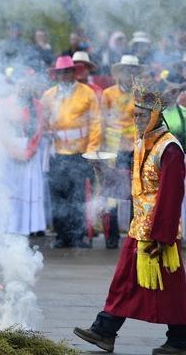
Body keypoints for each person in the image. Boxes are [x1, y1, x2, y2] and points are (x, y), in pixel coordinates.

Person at [73, 79, 186, 355]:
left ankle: (180, 339)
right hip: (139, 229)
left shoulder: (169, 149)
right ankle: (105, 330)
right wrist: (105, 173)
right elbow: (136, 184)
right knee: (124, 282)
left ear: (155, 116)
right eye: (134, 115)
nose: (136, 120)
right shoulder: (141, 143)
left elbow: (171, 196)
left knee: (170, 288)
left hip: (159, 234)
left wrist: (162, 236)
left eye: (141, 115)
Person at [41, 55, 101, 249]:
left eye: (67, 71)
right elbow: (42, 121)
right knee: (59, 195)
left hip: (80, 152)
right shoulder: (49, 95)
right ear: (56, 74)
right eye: (61, 72)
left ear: (74, 72)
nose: (64, 75)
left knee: (78, 196)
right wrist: (45, 131)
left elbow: (96, 123)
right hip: (57, 152)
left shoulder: (87, 93)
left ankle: (78, 235)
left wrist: (92, 150)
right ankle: (61, 235)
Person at [0, 71, 46, 236]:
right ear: (14, 85)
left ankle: (25, 226)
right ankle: (7, 225)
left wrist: (29, 150)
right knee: (8, 188)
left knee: (26, 187)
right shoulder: (4, 104)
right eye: (20, 84)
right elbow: (0, 129)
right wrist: (14, 151)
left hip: (29, 147)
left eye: (26, 85)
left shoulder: (37, 105)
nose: (23, 88)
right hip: (8, 148)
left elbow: (39, 129)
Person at [100, 55, 142, 249]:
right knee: (113, 193)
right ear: (119, 73)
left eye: (133, 70)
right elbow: (102, 119)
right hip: (115, 148)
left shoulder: (141, 93)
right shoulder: (108, 94)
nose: (129, 74)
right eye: (126, 70)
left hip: (136, 147)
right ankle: (112, 235)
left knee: (136, 189)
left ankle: (135, 232)